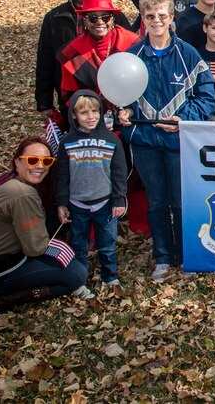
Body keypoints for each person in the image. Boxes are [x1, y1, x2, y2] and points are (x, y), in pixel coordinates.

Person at [120, 0, 215, 282]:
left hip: (179, 141)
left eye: (162, 16)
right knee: (157, 202)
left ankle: (187, 256)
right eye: (150, 17)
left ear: (171, 17)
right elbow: (119, 98)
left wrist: (184, 119)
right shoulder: (131, 57)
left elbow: (207, 96)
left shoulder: (188, 54)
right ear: (143, 20)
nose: (156, 21)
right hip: (146, 141)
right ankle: (162, 257)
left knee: (181, 200)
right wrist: (122, 113)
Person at [0, 137, 90, 317]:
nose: (40, 166)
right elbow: (35, 248)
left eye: (46, 161)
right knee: (76, 275)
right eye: (32, 160)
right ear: (17, 161)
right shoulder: (23, 194)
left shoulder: (8, 182)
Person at [36, 0, 130, 124]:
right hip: (72, 95)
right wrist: (44, 103)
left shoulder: (116, 18)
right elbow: (45, 62)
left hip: (115, 99)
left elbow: (132, 55)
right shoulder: (55, 17)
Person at [54, 90, 127, 288]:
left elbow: (119, 173)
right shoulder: (67, 142)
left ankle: (110, 277)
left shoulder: (112, 140)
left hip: (105, 202)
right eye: (84, 113)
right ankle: (80, 280)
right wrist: (62, 203)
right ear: (74, 116)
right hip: (77, 204)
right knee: (79, 245)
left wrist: (119, 199)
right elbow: (61, 176)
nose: (91, 117)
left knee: (107, 245)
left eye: (95, 111)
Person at [58, 0, 140, 112]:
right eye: (93, 18)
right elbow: (69, 95)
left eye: (105, 17)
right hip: (90, 119)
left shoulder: (133, 44)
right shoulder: (72, 53)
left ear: (112, 19)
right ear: (85, 21)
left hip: (131, 114)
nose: (100, 22)